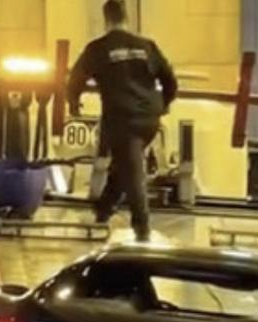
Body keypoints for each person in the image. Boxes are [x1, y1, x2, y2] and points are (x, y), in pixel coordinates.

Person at [67, 0, 177, 243]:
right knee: (126, 164)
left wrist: (73, 103)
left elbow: (75, 80)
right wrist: (164, 103)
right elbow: (170, 79)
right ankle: (103, 209)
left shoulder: (98, 49)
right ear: (127, 19)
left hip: (121, 118)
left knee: (132, 169)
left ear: (106, 20)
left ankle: (142, 227)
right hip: (150, 118)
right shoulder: (146, 46)